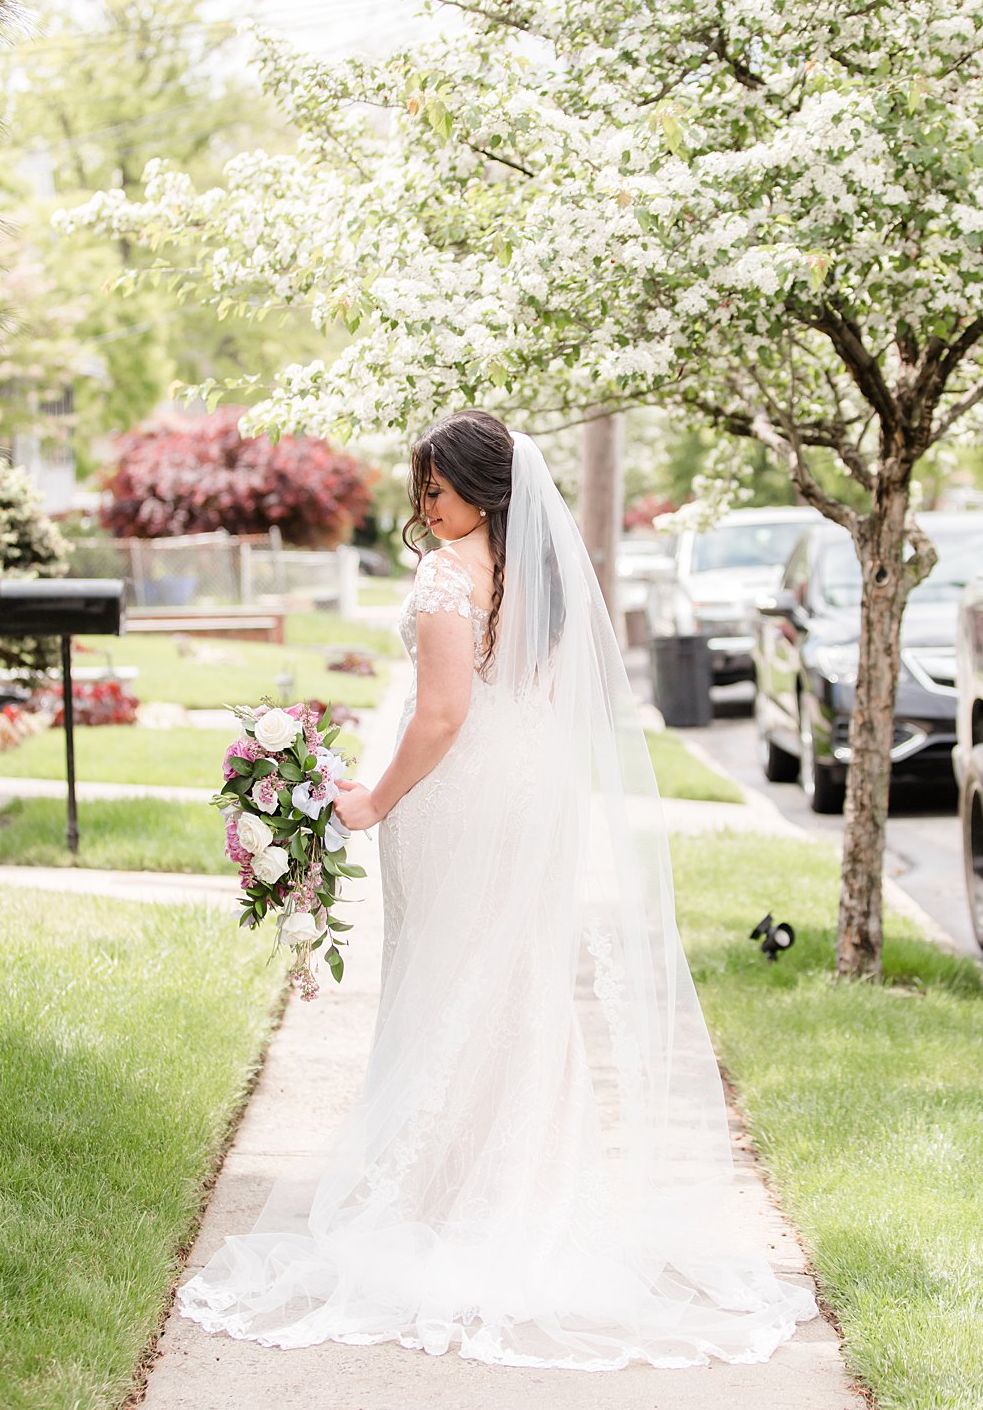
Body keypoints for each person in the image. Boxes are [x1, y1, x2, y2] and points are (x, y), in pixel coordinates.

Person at [176, 410, 817, 1369]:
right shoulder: (546, 580)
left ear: (483, 490)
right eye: (422, 490)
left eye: (436, 489)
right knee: (514, 986)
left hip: (456, 796)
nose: (424, 507)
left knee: (447, 980)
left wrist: (373, 802)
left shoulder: (446, 576)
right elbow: (548, 705)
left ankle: (444, 1198)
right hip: (529, 798)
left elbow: (439, 718)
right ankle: (512, 1186)